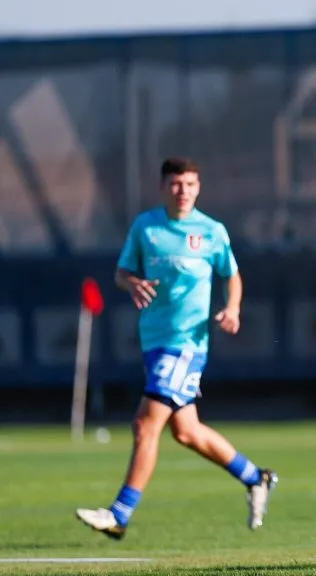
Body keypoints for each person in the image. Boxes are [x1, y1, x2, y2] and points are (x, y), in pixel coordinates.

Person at [75, 158, 277, 540]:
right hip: (154, 340)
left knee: (144, 425)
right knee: (186, 431)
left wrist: (232, 308)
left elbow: (231, 275)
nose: (182, 191)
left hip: (186, 344)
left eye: (189, 184)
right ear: (163, 187)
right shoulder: (146, 227)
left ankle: (119, 514)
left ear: (198, 188)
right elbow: (121, 273)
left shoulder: (211, 231)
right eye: (175, 184)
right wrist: (130, 283)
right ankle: (256, 477)